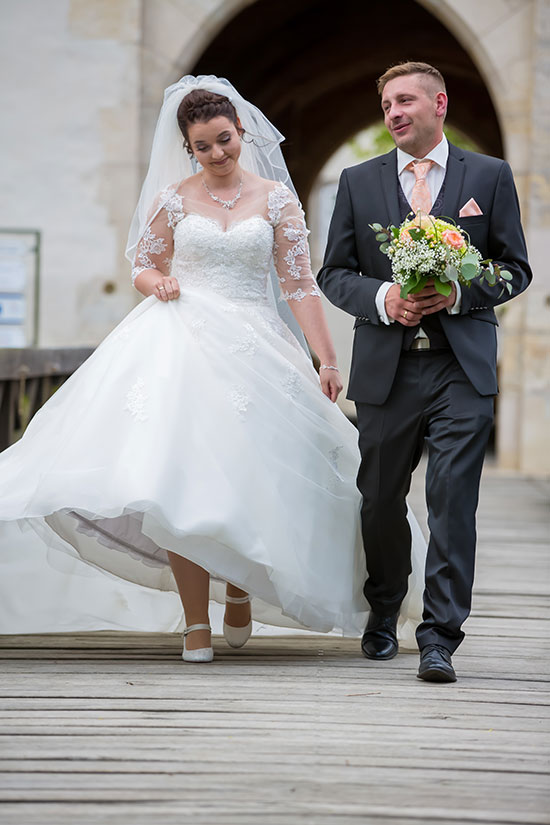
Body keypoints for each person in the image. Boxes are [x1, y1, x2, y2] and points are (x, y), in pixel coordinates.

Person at [0, 75, 428, 661]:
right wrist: (162, 282)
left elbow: (299, 284)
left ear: (241, 132)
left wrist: (326, 359)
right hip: (183, 346)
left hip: (255, 346)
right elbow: (142, 267)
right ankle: (194, 622)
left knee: (251, 471)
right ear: (189, 148)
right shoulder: (174, 199)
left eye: (224, 140)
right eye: (203, 146)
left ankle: (239, 585)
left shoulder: (276, 200)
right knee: (180, 479)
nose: (217, 153)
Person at [318, 61, 532, 683]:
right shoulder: (359, 183)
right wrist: (386, 299)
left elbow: (515, 269)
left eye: (405, 100)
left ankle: (439, 636)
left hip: (461, 370)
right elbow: (335, 273)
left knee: (452, 501)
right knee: (380, 500)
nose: (394, 112)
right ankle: (384, 611)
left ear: (440, 103)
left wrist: (462, 292)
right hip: (387, 370)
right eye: (387, 104)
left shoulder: (487, 177)